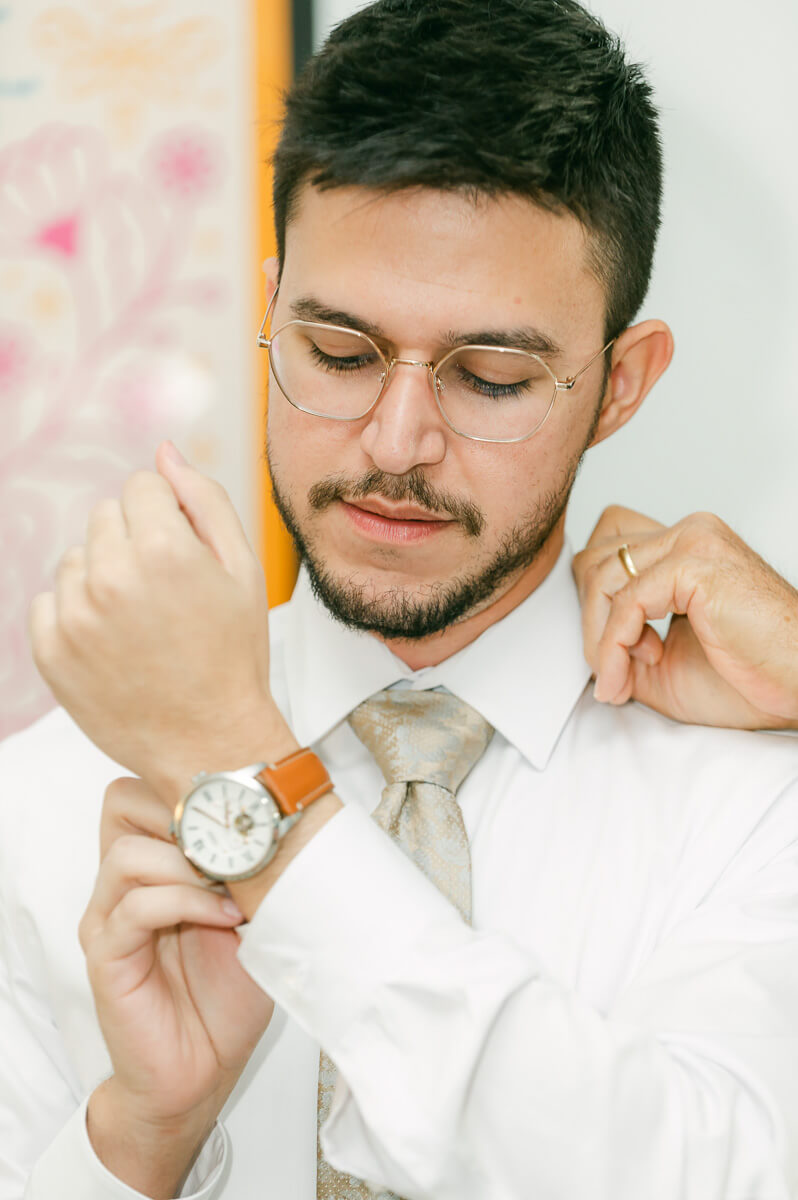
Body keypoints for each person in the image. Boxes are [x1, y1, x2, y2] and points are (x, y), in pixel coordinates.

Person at [2, 1, 798, 1197]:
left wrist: (251, 793)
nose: (400, 438)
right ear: (269, 311)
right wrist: (139, 1144)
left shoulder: (759, 797)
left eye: (490, 376)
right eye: (337, 352)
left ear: (620, 386)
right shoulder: (41, 805)